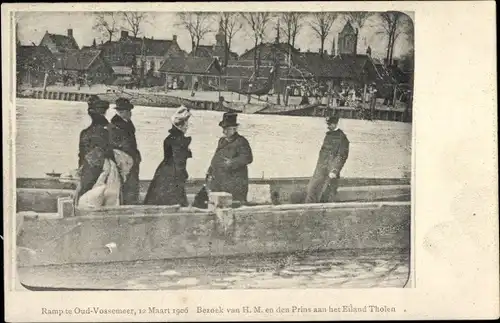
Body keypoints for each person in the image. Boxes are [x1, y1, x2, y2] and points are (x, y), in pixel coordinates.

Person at [74, 96, 120, 207]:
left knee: (86, 193)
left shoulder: (85, 133)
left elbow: (82, 156)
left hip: (89, 170)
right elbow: (112, 153)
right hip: (103, 170)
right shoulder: (110, 130)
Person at [144, 106, 192, 206]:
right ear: (181, 125)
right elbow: (179, 161)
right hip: (173, 173)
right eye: (186, 123)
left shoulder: (170, 138)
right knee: (173, 200)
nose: (187, 126)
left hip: (164, 171)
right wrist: (183, 175)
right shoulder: (180, 140)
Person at [206, 113, 253, 203]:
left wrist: (231, 162)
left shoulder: (241, 141)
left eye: (227, 129)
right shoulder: (222, 141)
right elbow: (216, 156)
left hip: (235, 184)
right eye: (223, 129)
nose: (224, 132)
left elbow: (248, 158)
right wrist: (210, 169)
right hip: (220, 182)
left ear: (234, 129)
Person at [305, 114, 350, 204]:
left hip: (331, 170)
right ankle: (309, 207)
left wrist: (334, 170)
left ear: (335, 124)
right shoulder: (328, 135)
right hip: (321, 167)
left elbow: (341, 155)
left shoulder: (342, 138)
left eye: (330, 124)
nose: (328, 126)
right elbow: (323, 152)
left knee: (327, 192)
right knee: (311, 188)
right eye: (328, 124)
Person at [108, 98, 141, 205]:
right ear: (122, 112)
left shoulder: (124, 122)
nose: (130, 113)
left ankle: (130, 200)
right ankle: (129, 202)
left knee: (130, 182)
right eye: (128, 111)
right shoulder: (117, 125)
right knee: (128, 182)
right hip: (125, 159)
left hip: (130, 157)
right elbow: (122, 145)